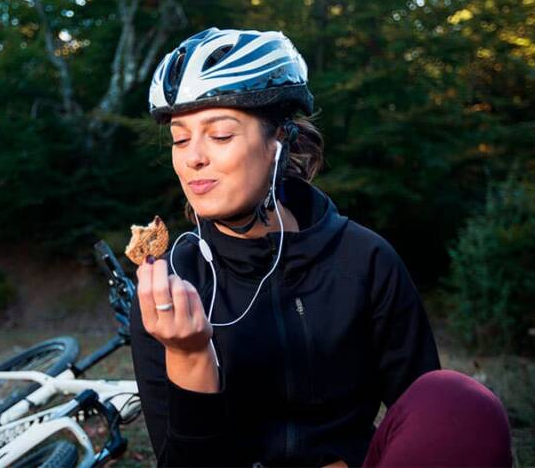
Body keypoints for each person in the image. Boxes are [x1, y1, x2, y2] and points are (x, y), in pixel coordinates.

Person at [129, 27, 513, 467]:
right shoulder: (171, 284)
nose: (193, 157)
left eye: (219, 135)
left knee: (458, 401)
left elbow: (425, 418)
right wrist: (189, 354)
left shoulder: (363, 259)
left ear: (279, 142)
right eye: (180, 139)